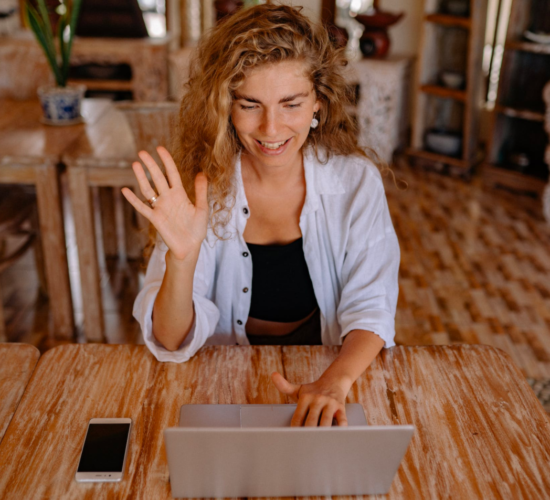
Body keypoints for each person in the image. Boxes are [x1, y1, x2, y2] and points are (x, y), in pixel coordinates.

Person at [122, 3, 400, 428]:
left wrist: (333, 383)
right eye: (250, 104)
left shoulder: (355, 183)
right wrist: (182, 259)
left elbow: (372, 307)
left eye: (291, 104)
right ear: (226, 108)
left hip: (328, 372)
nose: (271, 129)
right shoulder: (202, 188)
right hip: (217, 384)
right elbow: (170, 339)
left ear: (318, 104)